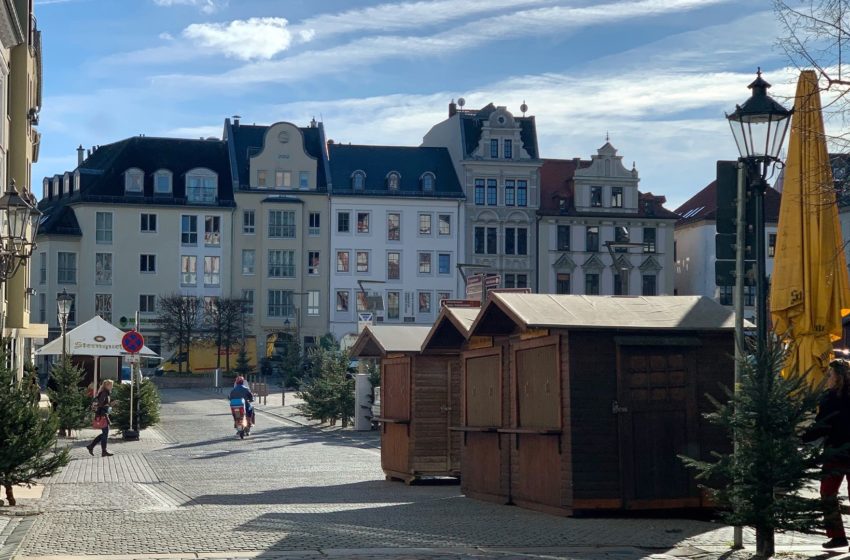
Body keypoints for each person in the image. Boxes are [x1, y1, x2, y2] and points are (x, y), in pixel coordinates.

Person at [803, 359, 850, 549]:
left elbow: (822, 425)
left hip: (835, 453)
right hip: (839, 453)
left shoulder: (829, 399)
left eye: (829, 375)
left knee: (827, 493)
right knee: (828, 492)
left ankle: (838, 536)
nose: (827, 379)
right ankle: (838, 537)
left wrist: (802, 436)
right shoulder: (829, 398)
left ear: (838, 378)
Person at [86, 379, 114, 457]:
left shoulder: (105, 392)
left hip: (103, 414)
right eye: (111, 385)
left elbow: (102, 403)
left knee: (105, 433)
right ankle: (101, 450)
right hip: (102, 415)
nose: (112, 387)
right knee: (105, 433)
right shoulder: (104, 393)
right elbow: (101, 403)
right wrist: (109, 405)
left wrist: (109, 404)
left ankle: (92, 447)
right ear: (107, 385)